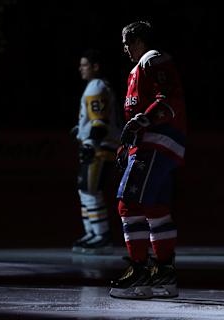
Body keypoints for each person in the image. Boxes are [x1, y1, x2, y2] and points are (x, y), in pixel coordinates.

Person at [109, 21, 187, 299]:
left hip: (156, 143)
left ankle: (139, 277)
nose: (124, 47)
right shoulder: (137, 69)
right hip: (157, 145)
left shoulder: (152, 60)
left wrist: (143, 121)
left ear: (139, 41)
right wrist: (126, 146)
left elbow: (167, 99)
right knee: (156, 208)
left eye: (127, 42)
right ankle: (165, 275)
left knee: (128, 204)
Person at [72, 48, 122, 255]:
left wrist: (91, 142)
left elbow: (99, 121)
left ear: (95, 67)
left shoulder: (96, 86)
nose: (80, 69)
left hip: (99, 147)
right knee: (86, 190)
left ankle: (100, 234)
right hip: (100, 144)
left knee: (91, 190)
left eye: (84, 65)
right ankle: (93, 232)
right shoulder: (101, 85)